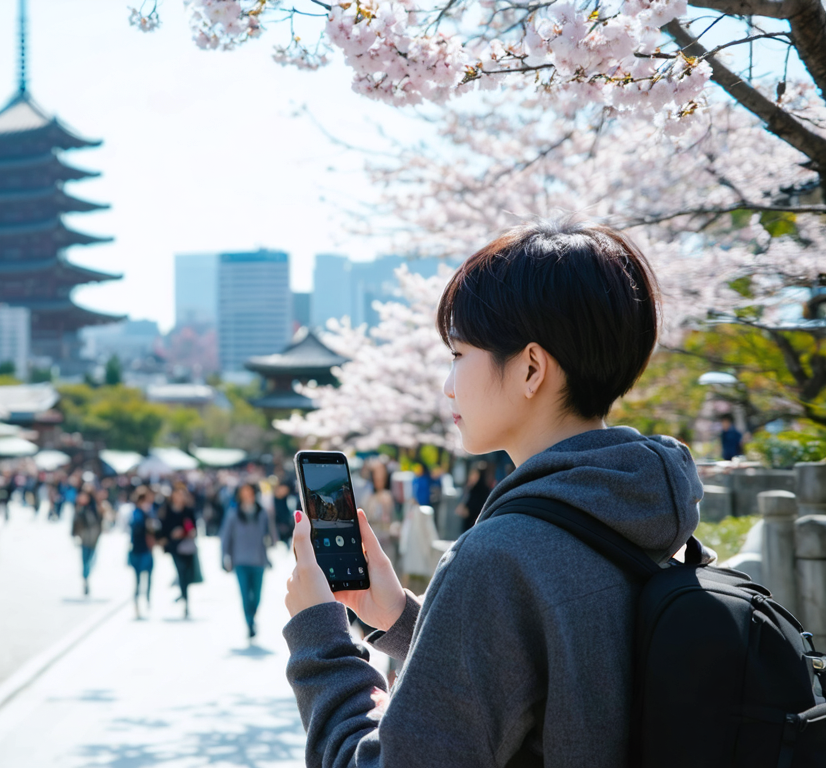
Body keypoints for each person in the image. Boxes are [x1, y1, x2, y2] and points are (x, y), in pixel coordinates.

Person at [282, 219, 698, 766]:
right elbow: (572, 682)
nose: (447, 384)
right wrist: (407, 620)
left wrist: (319, 638)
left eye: (458, 355)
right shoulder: (648, 513)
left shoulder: (499, 558)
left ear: (530, 368)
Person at [219, 482, 278, 639]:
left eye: (249, 492)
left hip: (258, 560)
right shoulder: (233, 513)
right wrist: (224, 558)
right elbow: (225, 538)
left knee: (257, 595)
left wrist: (273, 544)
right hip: (240, 561)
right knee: (245, 595)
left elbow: (271, 533)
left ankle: (252, 616)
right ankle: (249, 622)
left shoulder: (262, 512)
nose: (247, 495)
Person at [158, 484, 200, 619]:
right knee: (181, 571)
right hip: (175, 547)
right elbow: (163, 529)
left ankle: (184, 595)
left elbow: (195, 528)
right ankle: (184, 598)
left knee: (187, 574)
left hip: (187, 547)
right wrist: (172, 534)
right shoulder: (168, 511)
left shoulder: (188, 510)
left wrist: (187, 532)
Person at [128, 487, 157, 619]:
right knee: (139, 580)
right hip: (140, 550)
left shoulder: (146, 513)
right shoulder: (138, 513)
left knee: (146, 578)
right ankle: (139, 604)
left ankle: (146, 601)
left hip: (145, 549)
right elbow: (137, 529)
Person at [71, 487, 104, 597]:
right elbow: (75, 523)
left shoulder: (95, 508)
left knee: (90, 561)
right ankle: (85, 579)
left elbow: (100, 522)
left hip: (93, 539)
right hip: (84, 539)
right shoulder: (80, 509)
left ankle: (86, 577)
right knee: (85, 561)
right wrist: (74, 535)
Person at [454, 460, 493, 535]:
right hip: (468, 524)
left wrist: (468, 511)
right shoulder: (470, 488)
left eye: (474, 474)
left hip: (475, 524)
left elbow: (477, 507)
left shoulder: (482, 490)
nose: (471, 476)